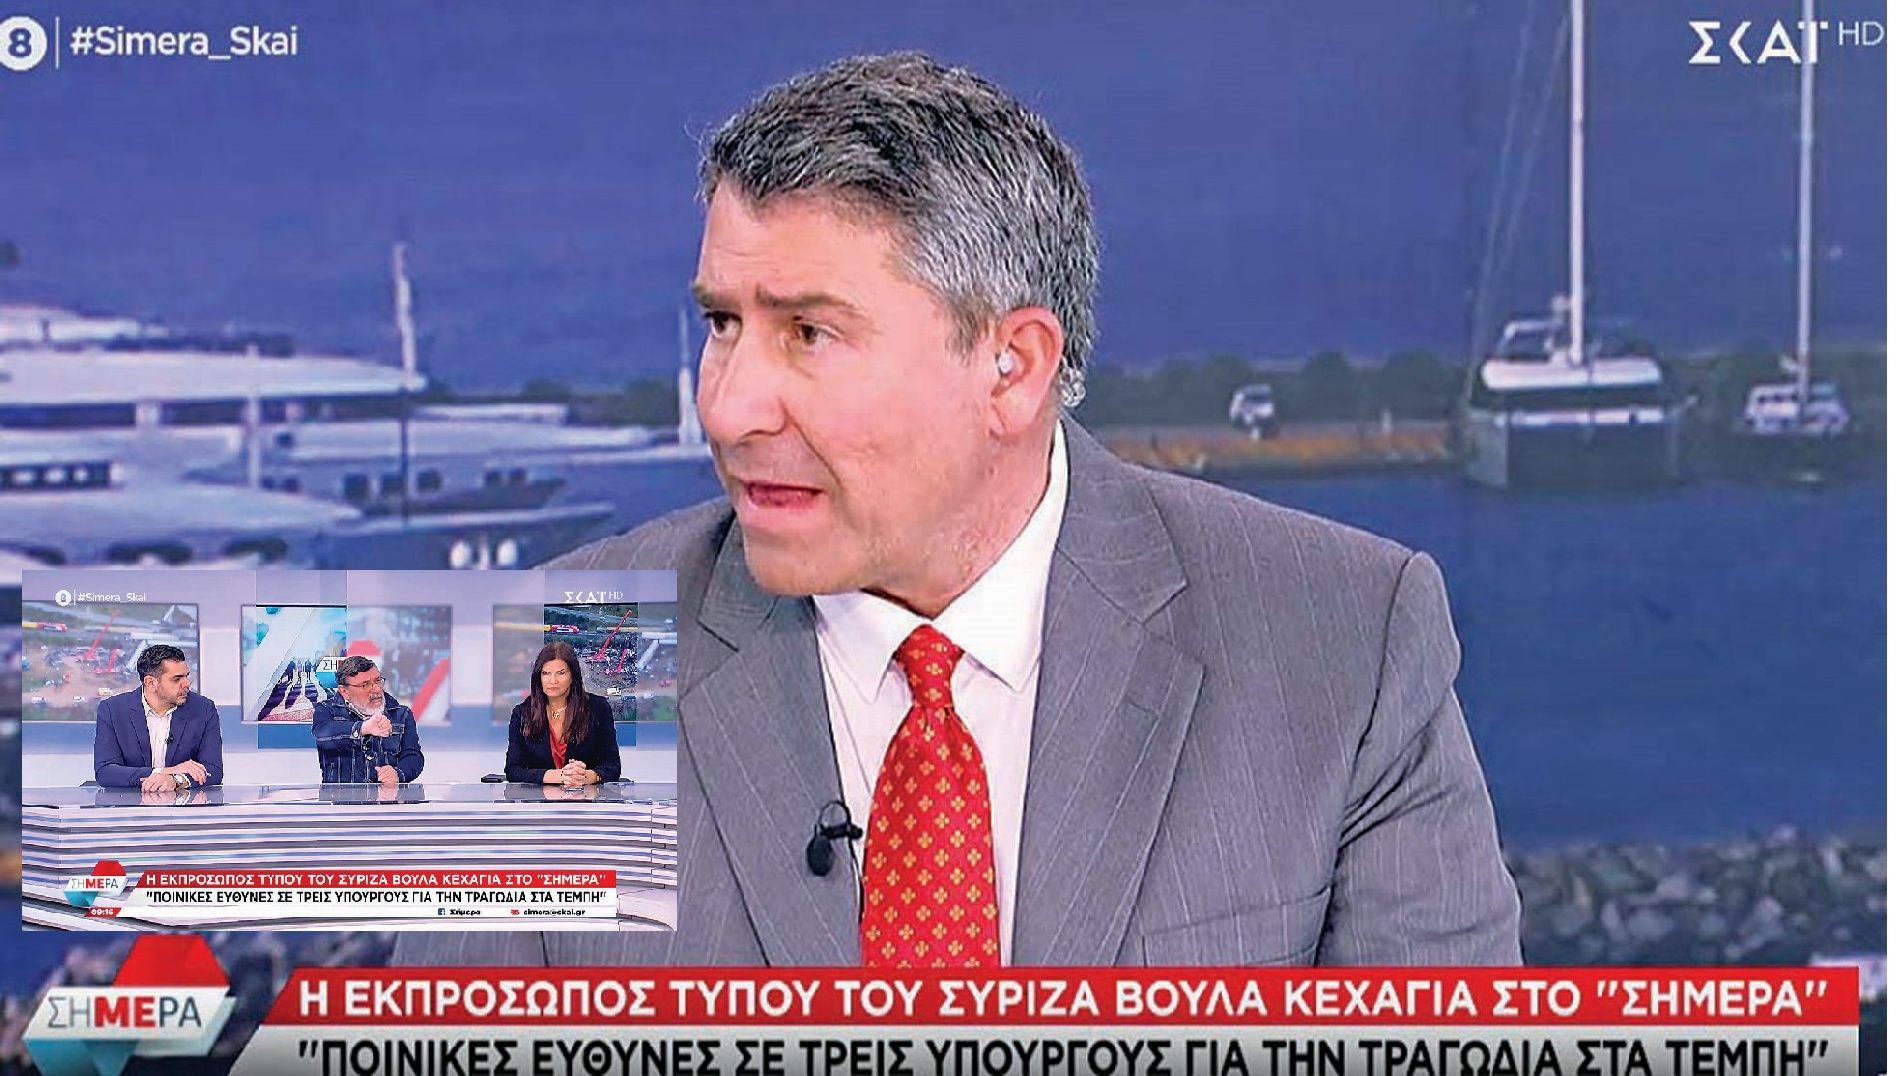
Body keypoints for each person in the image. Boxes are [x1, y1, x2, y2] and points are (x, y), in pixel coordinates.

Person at [398, 51, 1519, 968]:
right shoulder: (543, 650)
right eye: (723, 324)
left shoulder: (1346, 639)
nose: (729, 407)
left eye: (808, 333)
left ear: (1011, 367)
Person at [93, 644, 224, 791]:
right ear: (151, 683)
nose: (187, 684)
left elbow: (214, 770)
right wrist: (166, 771)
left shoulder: (203, 709)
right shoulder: (113, 710)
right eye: (177, 679)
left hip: (184, 804)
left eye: (186, 676)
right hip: (131, 803)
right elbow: (105, 772)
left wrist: (176, 780)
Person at [505, 641, 622, 786]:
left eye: (561, 673)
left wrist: (587, 776)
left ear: (573, 676)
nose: (553, 680)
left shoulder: (598, 708)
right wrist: (555, 776)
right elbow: (513, 770)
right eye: (546, 673)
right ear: (538, 677)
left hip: (587, 797)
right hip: (538, 798)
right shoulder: (522, 713)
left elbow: (612, 766)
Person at [311, 656, 424, 785]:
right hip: (340, 798)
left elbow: (414, 757)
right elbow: (322, 735)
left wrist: (398, 774)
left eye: (378, 681)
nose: (377, 689)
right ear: (344, 691)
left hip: (386, 796)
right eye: (365, 685)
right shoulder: (326, 710)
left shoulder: (402, 714)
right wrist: (362, 728)